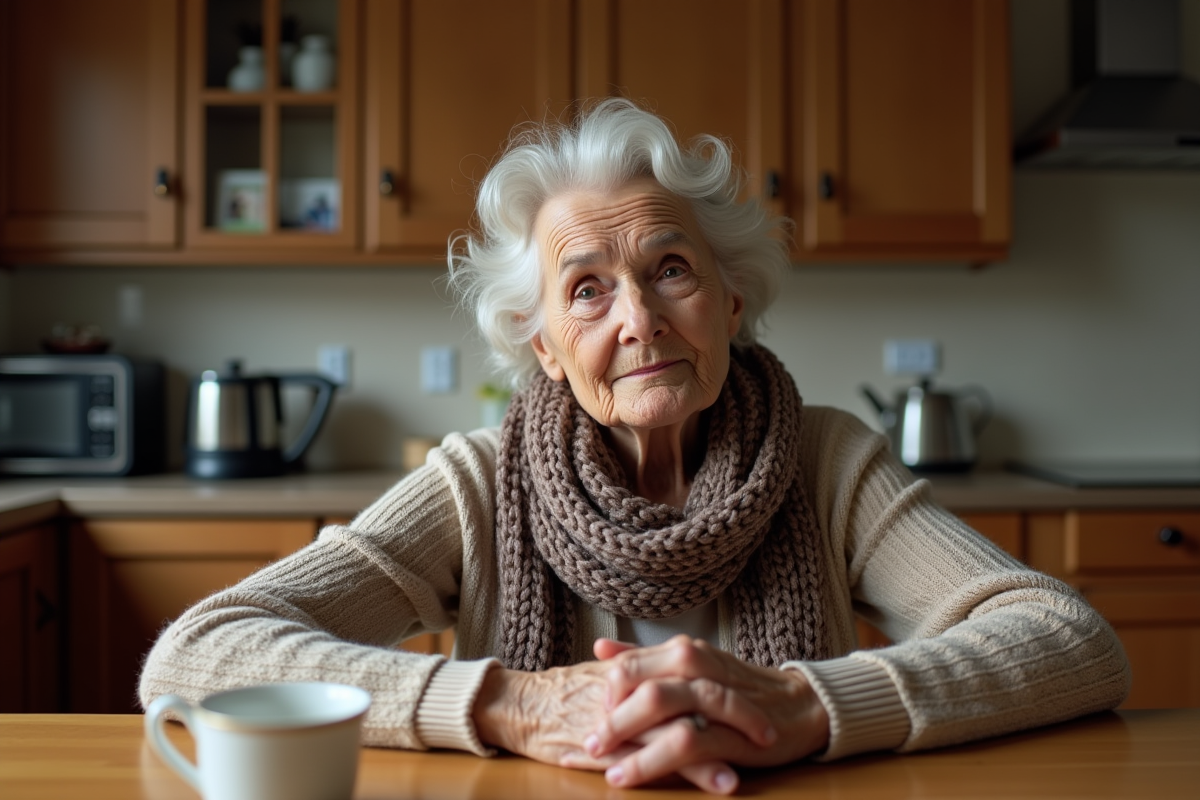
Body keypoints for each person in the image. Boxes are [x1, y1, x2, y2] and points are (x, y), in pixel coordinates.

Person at [140, 99, 1130, 795]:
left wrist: (810, 702)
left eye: (669, 268)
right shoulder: (480, 482)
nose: (640, 319)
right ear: (545, 346)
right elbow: (194, 652)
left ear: (732, 298)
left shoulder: (828, 460)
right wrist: (501, 702)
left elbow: (1070, 638)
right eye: (586, 289)